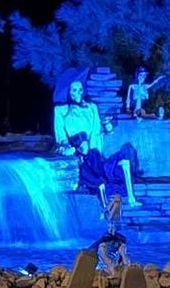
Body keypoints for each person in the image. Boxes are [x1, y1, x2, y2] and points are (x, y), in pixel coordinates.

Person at [53, 78, 139, 213]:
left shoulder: (91, 107)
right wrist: (70, 149)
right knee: (98, 181)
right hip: (80, 156)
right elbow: (61, 139)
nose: (78, 93)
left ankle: (131, 198)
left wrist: (107, 125)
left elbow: (99, 132)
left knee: (126, 155)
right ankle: (107, 208)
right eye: (74, 90)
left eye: (80, 90)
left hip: (95, 154)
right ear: (69, 92)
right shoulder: (61, 111)